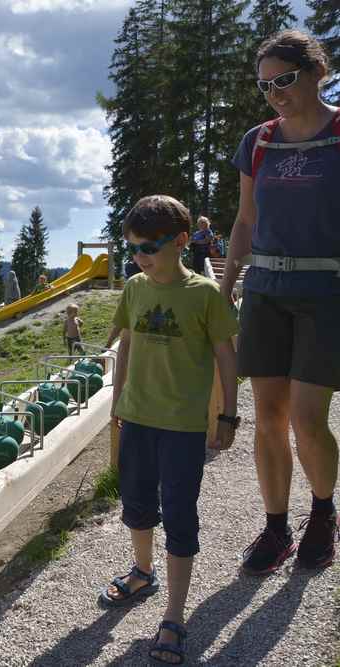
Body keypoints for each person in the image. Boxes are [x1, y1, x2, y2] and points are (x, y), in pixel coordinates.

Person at [221, 29, 340, 576]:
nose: (274, 93)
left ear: (317, 70)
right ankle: (275, 527)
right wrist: (225, 291)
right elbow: (246, 221)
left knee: (307, 418)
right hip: (266, 290)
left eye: (285, 80)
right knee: (267, 415)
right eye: (265, 85)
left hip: (327, 293)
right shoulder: (258, 142)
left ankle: (322, 513)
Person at [100, 195, 239, 665]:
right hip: (137, 418)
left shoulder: (203, 295)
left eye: (149, 247)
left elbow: (225, 357)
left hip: (181, 427)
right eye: (133, 248)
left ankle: (174, 616)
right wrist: (117, 404)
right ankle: (142, 570)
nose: (140, 257)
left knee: (179, 514)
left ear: (181, 242)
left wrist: (228, 415)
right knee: (136, 503)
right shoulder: (135, 287)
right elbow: (127, 345)